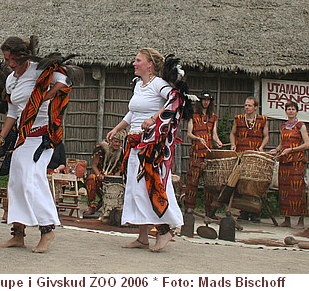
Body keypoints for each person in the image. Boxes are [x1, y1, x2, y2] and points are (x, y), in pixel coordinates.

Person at [0, 37, 72, 253]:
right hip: (23, 138)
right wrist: (1, 137)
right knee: (16, 183)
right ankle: (18, 233)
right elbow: (12, 111)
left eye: (14, 59)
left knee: (31, 180)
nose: (10, 64)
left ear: (24, 55)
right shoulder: (11, 80)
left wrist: (44, 97)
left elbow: (64, 81)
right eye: (7, 60)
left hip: (43, 137)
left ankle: (48, 229)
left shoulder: (39, 70)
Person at [107, 49, 192, 253]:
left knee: (149, 187)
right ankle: (142, 237)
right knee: (135, 189)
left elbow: (176, 100)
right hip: (135, 142)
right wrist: (117, 128)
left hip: (151, 145)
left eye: (138, 60)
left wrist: (154, 119)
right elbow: (132, 111)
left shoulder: (158, 85)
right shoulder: (139, 85)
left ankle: (164, 230)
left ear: (149, 65)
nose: (134, 63)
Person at [269, 101, 309, 228]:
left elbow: (307, 144)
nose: (291, 111)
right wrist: (276, 150)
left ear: (297, 111)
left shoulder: (300, 126)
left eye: (293, 109)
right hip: (284, 161)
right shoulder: (283, 126)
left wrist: (292, 150)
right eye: (288, 109)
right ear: (285, 111)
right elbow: (283, 144)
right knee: (284, 190)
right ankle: (286, 219)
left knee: (297, 190)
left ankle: (300, 221)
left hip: (296, 162)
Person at [184, 90, 223, 218]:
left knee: (209, 184)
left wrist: (218, 141)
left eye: (208, 100)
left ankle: (209, 211)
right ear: (200, 101)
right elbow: (189, 133)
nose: (206, 102)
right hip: (196, 152)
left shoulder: (213, 117)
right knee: (192, 182)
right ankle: (189, 209)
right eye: (204, 100)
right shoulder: (193, 115)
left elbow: (214, 134)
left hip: (208, 154)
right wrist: (197, 138)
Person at [230, 96, 269, 222]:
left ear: (255, 107)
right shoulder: (239, 119)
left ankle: (255, 211)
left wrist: (262, 147)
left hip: (255, 156)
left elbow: (266, 136)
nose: (247, 107)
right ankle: (243, 211)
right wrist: (233, 144)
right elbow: (233, 133)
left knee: (255, 182)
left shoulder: (263, 120)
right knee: (241, 182)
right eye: (246, 105)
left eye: (250, 105)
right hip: (241, 153)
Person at [83, 129, 125, 217]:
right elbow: (94, 165)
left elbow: (120, 169)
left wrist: (114, 179)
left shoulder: (122, 153)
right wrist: (99, 174)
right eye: (116, 141)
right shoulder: (100, 148)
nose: (117, 144)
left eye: (120, 142)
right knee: (91, 178)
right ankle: (92, 205)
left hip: (112, 179)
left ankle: (110, 206)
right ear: (111, 140)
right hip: (100, 176)